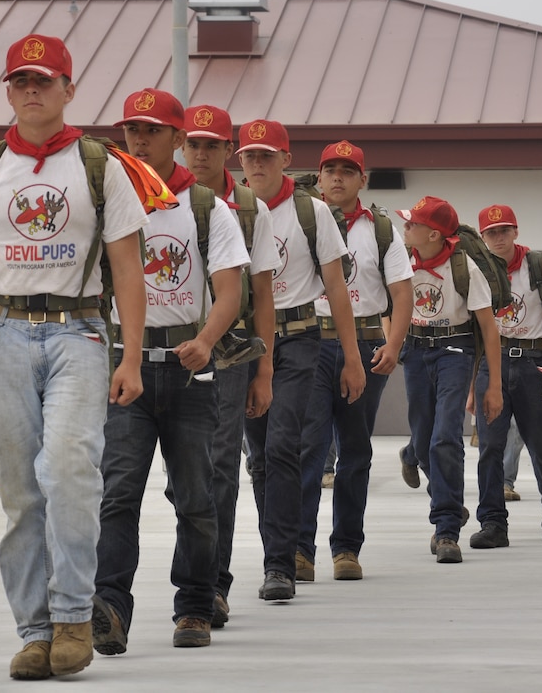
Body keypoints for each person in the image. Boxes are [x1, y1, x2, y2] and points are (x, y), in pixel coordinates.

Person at [0, 34, 147, 681]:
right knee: (20, 488)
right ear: (6, 90)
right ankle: (33, 629)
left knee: (68, 472)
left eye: (45, 80)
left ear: (68, 89)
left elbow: (129, 267)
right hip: (1, 332)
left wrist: (132, 355)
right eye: (20, 80)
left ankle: (73, 612)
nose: (32, 90)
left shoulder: (100, 165)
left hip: (78, 333)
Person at [91, 90, 249, 653]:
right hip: (123, 369)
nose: (138, 139)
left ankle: (194, 607)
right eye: (132, 128)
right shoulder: (106, 197)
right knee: (118, 494)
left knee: (196, 498)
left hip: (188, 372)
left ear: (177, 139)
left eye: (153, 130)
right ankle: (109, 608)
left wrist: (207, 341)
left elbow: (230, 291)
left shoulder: (207, 207)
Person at [237, 119, 365, 599]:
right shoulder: (232, 208)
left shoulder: (311, 212)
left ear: (286, 159)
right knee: (259, 459)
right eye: (250, 155)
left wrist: (352, 358)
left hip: (298, 337)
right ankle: (278, 548)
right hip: (243, 341)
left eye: (267, 155)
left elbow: (337, 288)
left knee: (283, 444)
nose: (258, 164)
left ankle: (281, 565)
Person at [181, 103, 278, 627]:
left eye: (211, 145)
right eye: (193, 144)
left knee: (219, 468)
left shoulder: (247, 209)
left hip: (228, 352)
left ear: (227, 151)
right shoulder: (149, 198)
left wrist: (263, 370)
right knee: (181, 476)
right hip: (162, 350)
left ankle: (212, 584)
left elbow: (262, 293)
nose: (200, 153)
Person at [298, 141, 413, 580]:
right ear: (320, 176)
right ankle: (299, 551)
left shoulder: (381, 229)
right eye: (331, 170)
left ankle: (346, 548)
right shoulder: (301, 220)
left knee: (355, 450)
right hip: (309, 342)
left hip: (364, 346)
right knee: (307, 449)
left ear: (363, 179)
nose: (338, 178)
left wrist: (393, 345)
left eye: (349, 170)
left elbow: (402, 292)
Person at [397, 197, 502, 563]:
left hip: (454, 351)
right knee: (425, 438)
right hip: (414, 349)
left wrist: (493, 385)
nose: (405, 228)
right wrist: (394, 348)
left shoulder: (466, 269)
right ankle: (420, 463)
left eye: (412, 224)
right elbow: (388, 307)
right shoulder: (401, 261)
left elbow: (489, 330)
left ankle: (446, 529)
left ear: (434, 234)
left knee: (445, 437)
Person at [468, 204, 542, 547]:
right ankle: (493, 522)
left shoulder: (539, 266)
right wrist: (472, 386)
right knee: (490, 446)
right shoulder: (477, 269)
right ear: (482, 237)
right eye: (491, 233)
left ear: (515, 232)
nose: (498, 238)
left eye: (504, 231)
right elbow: (475, 333)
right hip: (491, 364)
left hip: (533, 361)